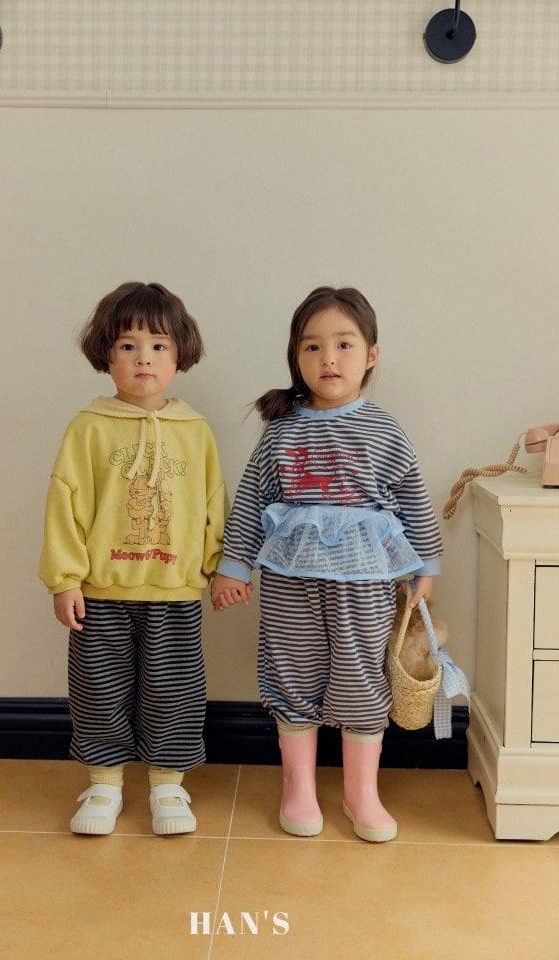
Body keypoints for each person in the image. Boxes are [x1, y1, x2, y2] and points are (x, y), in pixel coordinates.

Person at [211, 286, 442, 842]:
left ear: (372, 354)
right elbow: (253, 498)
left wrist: (427, 566)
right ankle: (299, 788)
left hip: (365, 582)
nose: (328, 358)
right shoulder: (282, 427)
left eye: (344, 344)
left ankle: (362, 794)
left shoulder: (386, 429)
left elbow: (413, 498)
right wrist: (234, 565)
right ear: (296, 356)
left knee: (361, 677)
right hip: (289, 581)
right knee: (292, 672)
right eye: (312, 347)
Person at [39, 281, 230, 836]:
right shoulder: (88, 427)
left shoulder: (195, 431)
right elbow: (65, 503)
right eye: (128, 345)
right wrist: (64, 579)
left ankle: (168, 784)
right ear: (106, 354)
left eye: (158, 345)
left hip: (174, 590)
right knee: (99, 689)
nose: (144, 358)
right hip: (101, 591)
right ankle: (104, 783)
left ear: (179, 354)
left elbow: (214, 502)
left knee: (174, 691)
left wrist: (221, 567)